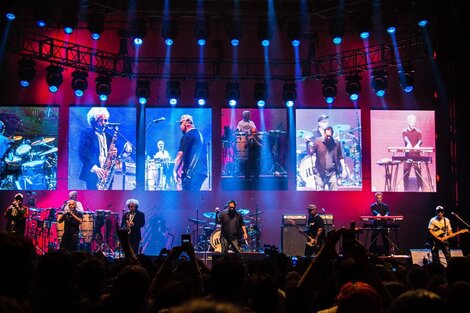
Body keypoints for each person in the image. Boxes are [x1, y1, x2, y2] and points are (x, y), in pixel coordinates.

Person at [78, 107, 118, 190]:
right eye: (101, 120)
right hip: (93, 174)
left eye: (105, 120)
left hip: (107, 175)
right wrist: (95, 168)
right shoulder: (87, 134)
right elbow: (82, 153)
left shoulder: (109, 137)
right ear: (94, 121)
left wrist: (114, 154)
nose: (104, 123)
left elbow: (111, 157)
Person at [174, 114, 208, 191]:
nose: (180, 127)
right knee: (194, 198)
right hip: (202, 172)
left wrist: (174, 171)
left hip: (193, 174)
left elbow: (180, 155)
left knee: (188, 198)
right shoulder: (200, 135)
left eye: (180, 123)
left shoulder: (188, 136)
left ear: (185, 123)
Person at [307, 126, 347, 190]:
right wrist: (307, 144)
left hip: (332, 172)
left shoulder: (336, 143)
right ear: (324, 134)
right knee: (320, 195)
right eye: (327, 136)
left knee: (334, 194)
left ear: (332, 134)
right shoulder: (318, 142)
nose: (328, 138)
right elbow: (310, 153)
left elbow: (340, 157)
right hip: (320, 172)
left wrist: (344, 170)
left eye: (330, 136)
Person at [402, 114, 424, 191]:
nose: (413, 123)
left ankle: (420, 188)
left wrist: (417, 145)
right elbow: (405, 138)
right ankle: (405, 189)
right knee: (405, 172)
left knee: (418, 172)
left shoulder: (418, 132)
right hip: (408, 156)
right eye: (412, 122)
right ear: (409, 122)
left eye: (414, 122)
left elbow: (420, 140)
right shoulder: (404, 131)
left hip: (416, 155)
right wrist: (408, 143)